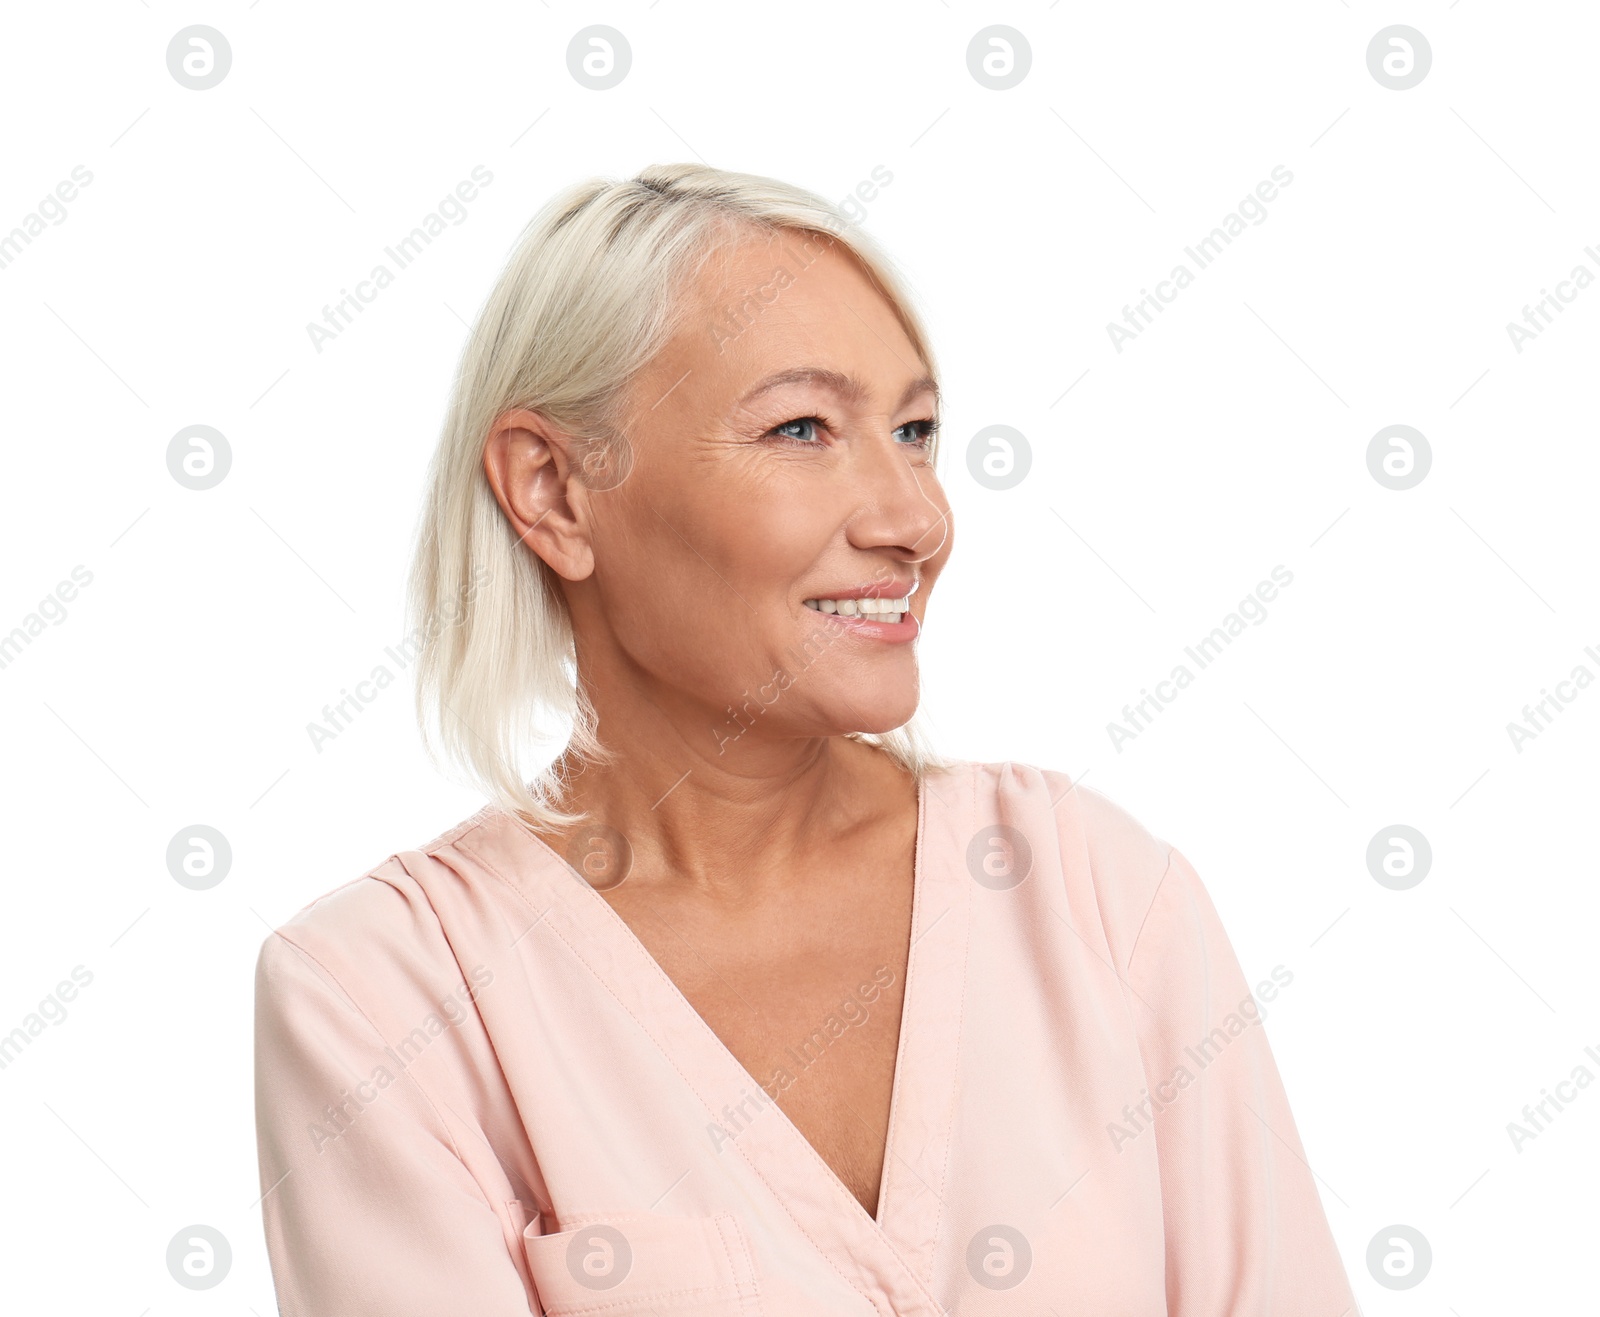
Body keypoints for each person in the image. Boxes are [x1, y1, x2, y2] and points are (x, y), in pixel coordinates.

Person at [253, 163, 1357, 1315]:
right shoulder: (386, 996)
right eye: (800, 428)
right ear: (555, 494)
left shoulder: (1095, 895)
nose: (915, 520)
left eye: (916, 431)